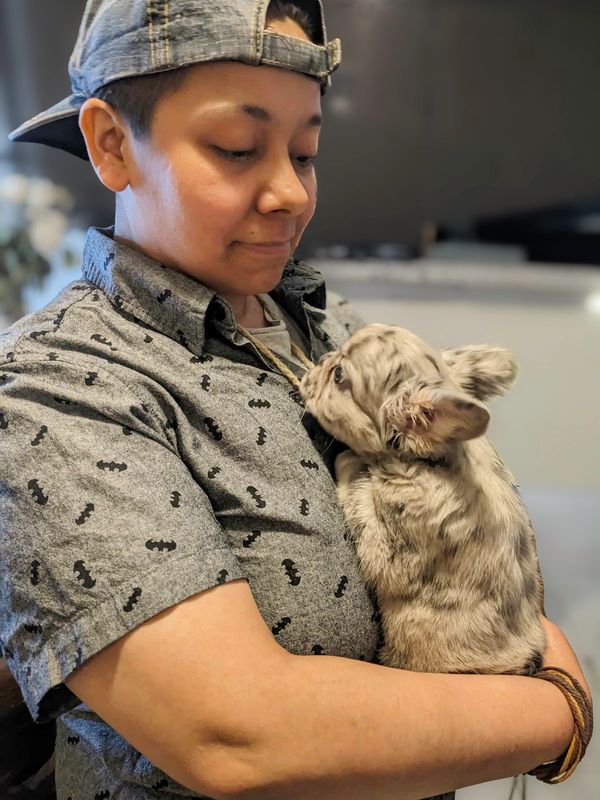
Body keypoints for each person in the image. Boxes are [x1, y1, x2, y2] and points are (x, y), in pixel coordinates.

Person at [0, 1, 592, 799]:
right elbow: (237, 735)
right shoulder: (58, 389)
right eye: (237, 148)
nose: (291, 193)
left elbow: (472, 549)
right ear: (111, 144)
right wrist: (559, 709)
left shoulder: (325, 321)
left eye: (305, 152)